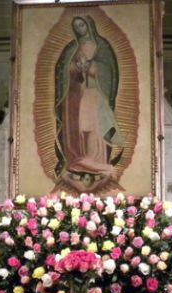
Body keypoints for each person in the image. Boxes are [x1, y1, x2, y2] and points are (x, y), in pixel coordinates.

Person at [54, 15, 124, 190]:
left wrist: (92, 66)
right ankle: (76, 159)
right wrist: (74, 68)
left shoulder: (101, 46)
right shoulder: (71, 49)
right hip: (74, 96)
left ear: (89, 25)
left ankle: (96, 160)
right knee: (77, 128)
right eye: (76, 26)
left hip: (94, 94)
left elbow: (108, 70)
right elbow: (63, 71)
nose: (79, 29)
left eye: (82, 25)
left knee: (93, 127)